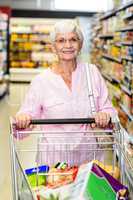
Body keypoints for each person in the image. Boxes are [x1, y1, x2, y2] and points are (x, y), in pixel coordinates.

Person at [15, 20, 117, 166]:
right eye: (61, 40)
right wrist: (23, 120)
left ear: (80, 45)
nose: (68, 45)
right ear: (53, 47)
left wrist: (105, 115)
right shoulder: (41, 81)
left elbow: (109, 110)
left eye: (73, 40)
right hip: (53, 163)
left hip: (88, 159)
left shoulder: (92, 72)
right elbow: (24, 120)